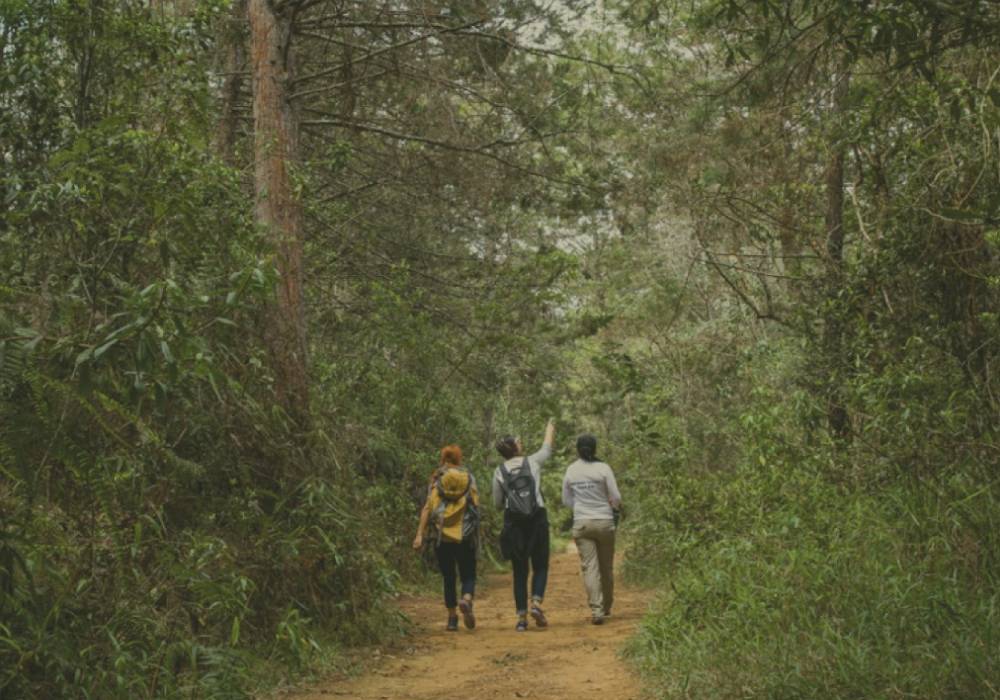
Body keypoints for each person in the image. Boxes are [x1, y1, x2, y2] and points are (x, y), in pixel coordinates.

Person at [492, 419, 555, 631]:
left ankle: (521, 619)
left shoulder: (499, 471)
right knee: (541, 565)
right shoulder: (533, 462)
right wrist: (549, 427)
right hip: (537, 519)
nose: (521, 442)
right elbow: (547, 448)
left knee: (519, 571)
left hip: (514, 524)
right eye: (518, 441)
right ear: (515, 447)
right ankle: (536, 603)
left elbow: (497, 504)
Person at [413, 445, 479, 631]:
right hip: (464, 535)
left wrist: (420, 534)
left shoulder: (436, 478)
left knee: (448, 577)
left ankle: (451, 619)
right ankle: (466, 598)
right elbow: (475, 504)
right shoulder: (468, 477)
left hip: (442, 536)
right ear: (459, 459)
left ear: (443, 459)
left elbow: (427, 507)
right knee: (468, 573)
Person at [561, 434, 622, 625]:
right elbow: (616, 496)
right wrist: (611, 507)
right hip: (604, 522)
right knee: (606, 567)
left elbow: (566, 500)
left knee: (590, 568)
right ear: (595, 449)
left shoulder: (571, 470)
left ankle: (596, 610)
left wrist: (580, 508)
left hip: (582, 523)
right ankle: (606, 607)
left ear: (578, 449)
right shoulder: (603, 468)